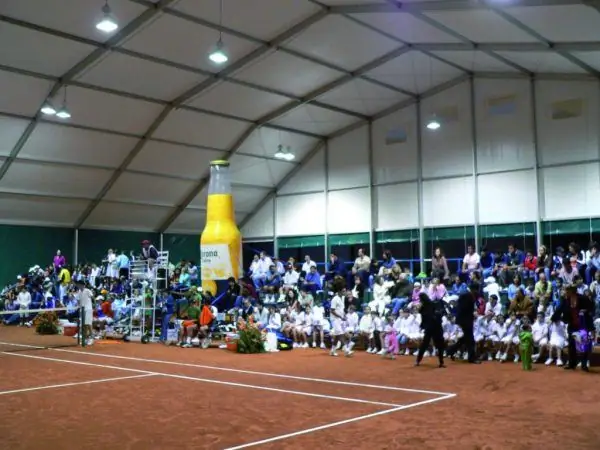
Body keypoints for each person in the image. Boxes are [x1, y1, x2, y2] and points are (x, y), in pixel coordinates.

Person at [552, 285, 595, 371]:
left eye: (567, 291)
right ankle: (572, 364)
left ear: (573, 291)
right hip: (572, 325)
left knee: (583, 345)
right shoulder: (565, 301)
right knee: (571, 345)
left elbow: (591, 306)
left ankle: (584, 365)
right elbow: (558, 310)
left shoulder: (583, 298)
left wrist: (586, 310)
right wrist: (554, 318)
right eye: (565, 291)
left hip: (583, 325)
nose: (566, 292)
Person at [447, 282, 480, 364]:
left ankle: (451, 350)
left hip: (467, 320)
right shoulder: (466, 296)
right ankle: (471, 358)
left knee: (466, 338)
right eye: (476, 290)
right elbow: (462, 309)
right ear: (473, 289)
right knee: (470, 339)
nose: (477, 292)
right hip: (465, 320)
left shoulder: (470, 296)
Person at [415, 293, 446, 368]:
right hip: (436, 327)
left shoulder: (424, 307)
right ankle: (441, 362)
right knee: (439, 345)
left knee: (424, 344)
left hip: (431, 328)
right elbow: (441, 313)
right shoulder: (433, 304)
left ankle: (418, 361)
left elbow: (421, 313)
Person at [75, 280, 94, 346]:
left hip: (88, 309)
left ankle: (91, 338)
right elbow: (78, 301)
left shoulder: (88, 291)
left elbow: (93, 298)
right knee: (84, 325)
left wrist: (93, 306)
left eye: (79, 284)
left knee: (89, 324)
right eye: (78, 284)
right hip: (82, 310)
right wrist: (78, 307)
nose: (78, 285)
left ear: (82, 285)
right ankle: (85, 339)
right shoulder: (79, 292)